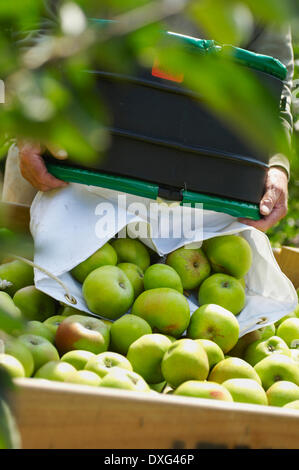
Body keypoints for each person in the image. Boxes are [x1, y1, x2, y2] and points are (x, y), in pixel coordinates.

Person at [1, 3, 294, 233]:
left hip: (196, 202)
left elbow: (272, 88)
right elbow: (33, 18)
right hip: (64, 158)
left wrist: (277, 165)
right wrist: (32, 109)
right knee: (28, 282)